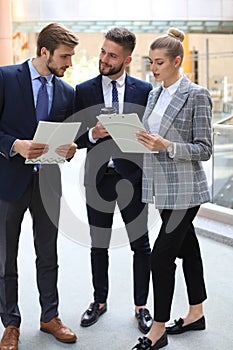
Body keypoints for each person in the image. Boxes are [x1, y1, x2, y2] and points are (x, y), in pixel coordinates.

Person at [131, 27, 212, 350]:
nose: (154, 68)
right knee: (188, 248)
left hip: (185, 190)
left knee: (161, 257)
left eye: (160, 62)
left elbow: (203, 148)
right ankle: (196, 313)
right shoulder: (154, 93)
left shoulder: (197, 95)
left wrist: (168, 146)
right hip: (161, 189)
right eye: (151, 62)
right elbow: (154, 137)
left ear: (178, 61)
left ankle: (158, 330)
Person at [0, 23, 79, 349]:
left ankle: (50, 316)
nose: (69, 63)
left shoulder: (66, 92)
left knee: (48, 254)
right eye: (64, 56)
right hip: (9, 183)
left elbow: (69, 137)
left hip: (48, 183)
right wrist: (14, 145)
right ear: (44, 52)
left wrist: (72, 147)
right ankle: (11, 323)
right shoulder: (5, 78)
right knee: (6, 258)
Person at [74, 27, 153, 333]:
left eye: (112, 55)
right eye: (103, 52)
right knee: (98, 244)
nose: (104, 59)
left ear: (127, 59)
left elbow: (153, 135)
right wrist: (94, 133)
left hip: (132, 177)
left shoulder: (144, 90)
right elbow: (76, 137)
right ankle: (99, 301)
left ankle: (141, 306)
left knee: (140, 246)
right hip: (98, 178)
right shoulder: (84, 90)